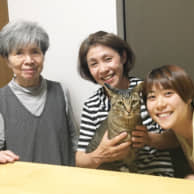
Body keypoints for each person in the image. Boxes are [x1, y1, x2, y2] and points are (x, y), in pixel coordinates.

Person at [76, 31, 179, 176]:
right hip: (115, 184)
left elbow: (179, 139)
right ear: (89, 70)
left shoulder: (150, 91)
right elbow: (79, 159)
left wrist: (150, 139)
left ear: (123, 57)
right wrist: (99, 155)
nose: (103, 69)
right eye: (94, 64)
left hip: (156, 180)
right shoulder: (92, 105)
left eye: (108, 59)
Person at [0, 20, 78, 166]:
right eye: (19, 53)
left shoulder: (61, 91)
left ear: (43, 55)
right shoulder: (1, 99)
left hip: (63, 182)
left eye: (35, 52)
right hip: (22, 186)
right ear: (7, 61)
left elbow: (74, 142)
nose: (29, 60)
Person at [143, 64, 194, 180]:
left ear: (188, 95)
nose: (160, 104)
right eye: (152, 97)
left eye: (168, 93)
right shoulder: (180, 131)